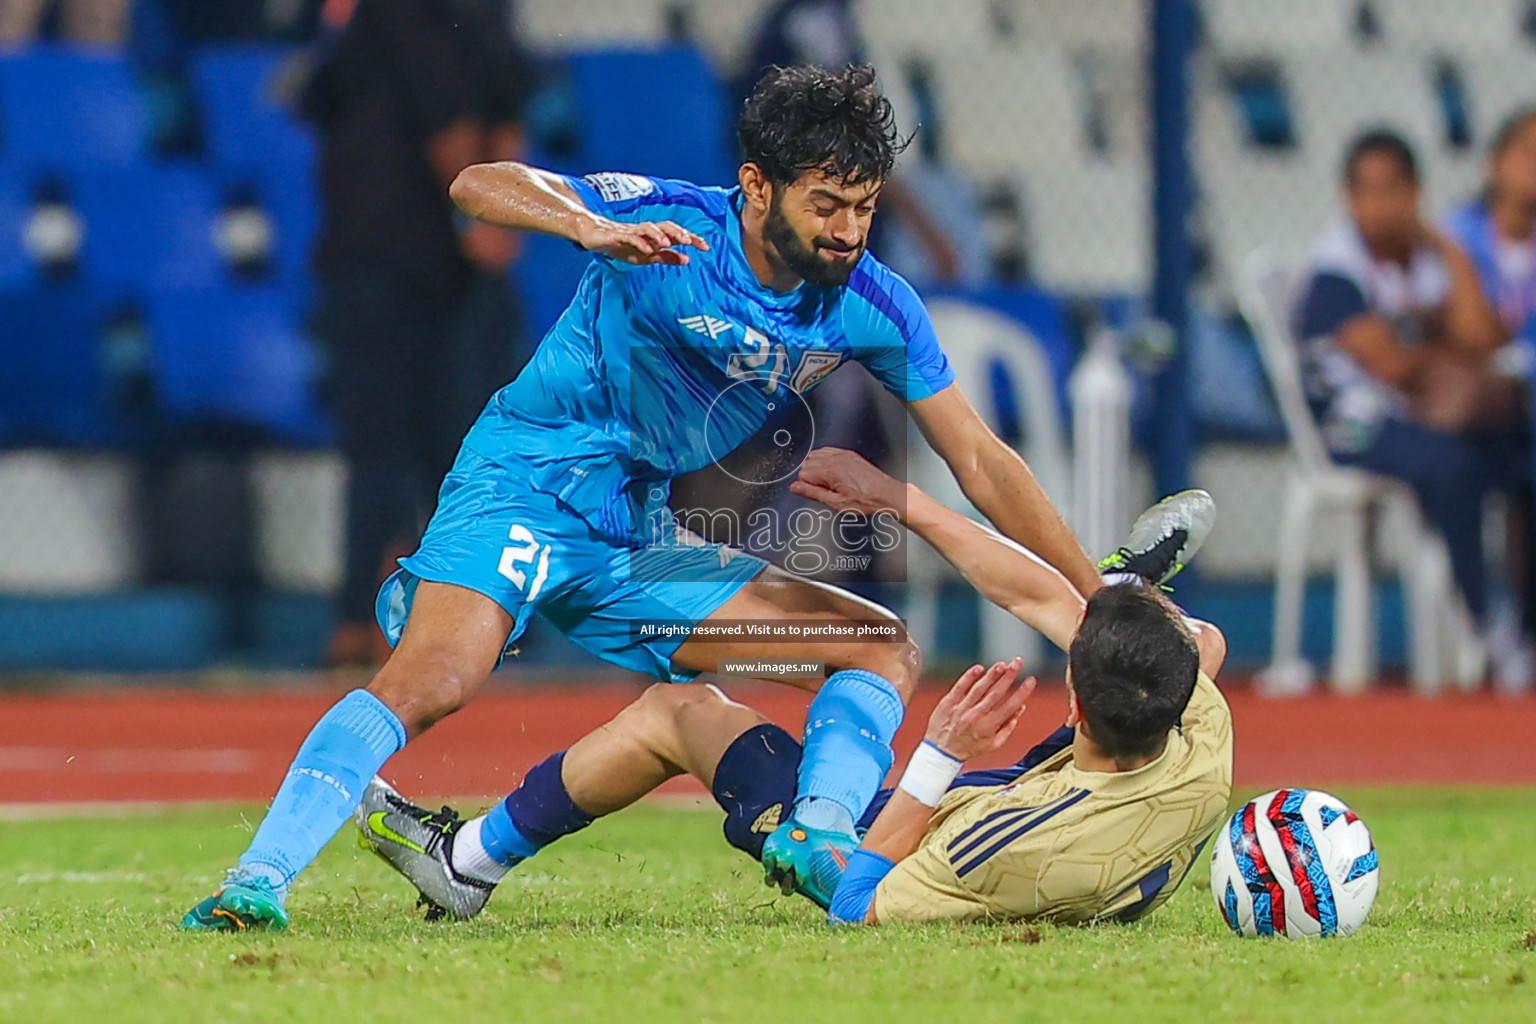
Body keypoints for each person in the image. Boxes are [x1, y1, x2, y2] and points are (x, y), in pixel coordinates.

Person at [182, 63, 1103, 931]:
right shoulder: (671, 224)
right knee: (435, 681)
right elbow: (476, 181)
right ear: (756, 185)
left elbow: (981, 461)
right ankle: (257, 880)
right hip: (527, 486)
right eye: (826, 205)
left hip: (637, 535)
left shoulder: (873, 302)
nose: (848, 231)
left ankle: (818, 838)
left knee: (877, 646)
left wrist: (1096, 597)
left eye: (863, 207)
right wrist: (580, 224)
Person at [351, 452, 1226, 927]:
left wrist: (938, 757)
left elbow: (856, 902)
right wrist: (1121, 601)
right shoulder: (1197, 741)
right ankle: (1125, 587)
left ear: (1072, 704)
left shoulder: (1003, 847)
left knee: (677, 711)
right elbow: (1199, 646)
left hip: (894, 844)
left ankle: (465, 865)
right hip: (1045, 801)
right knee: (1197, 635)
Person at [297, 0, 532, 669]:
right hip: (427, 265)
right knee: (446, 447)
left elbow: (449, 117)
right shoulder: (481, 17)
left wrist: (480, 220)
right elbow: (503, 106)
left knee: (388, 444)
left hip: (391, 257)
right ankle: (460, 616)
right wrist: (503, 216)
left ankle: (366, 618)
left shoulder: (392, 14)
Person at [1293, 129, 1531, 687]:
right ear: (1348, 198)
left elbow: (1484, 337)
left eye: (1393, 190)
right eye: (1366, 191)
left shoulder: (1426, 261)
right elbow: (1390, 366)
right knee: (1452, 463)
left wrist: (1450, 250)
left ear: (1415, 195)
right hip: (1348, 423)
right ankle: (1482, 617)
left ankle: (1522, 622)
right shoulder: (1336, 267)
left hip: (1413, 416)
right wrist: (1439, 347)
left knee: (1520, 451)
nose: (1380, 206)